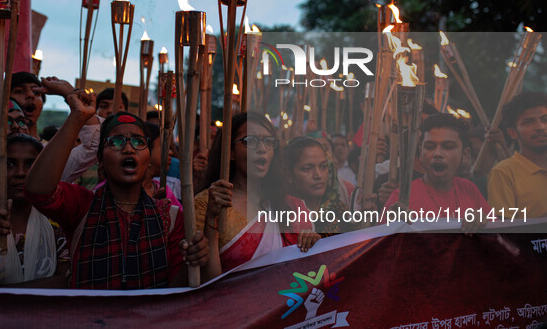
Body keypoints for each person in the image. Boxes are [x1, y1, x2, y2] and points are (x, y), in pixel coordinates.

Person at [24, 90, 211, 289]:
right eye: (116, 141)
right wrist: (77, 116)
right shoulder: (81, 206)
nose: (129, 149)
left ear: (148, 160)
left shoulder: (171, 218)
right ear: (100, 160)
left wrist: (193, 259)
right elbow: (37, 190)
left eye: (139, 142)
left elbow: (175, 290)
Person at [195, 112, 320, 275]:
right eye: (250, 141)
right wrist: (211, 220)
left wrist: (314, 247)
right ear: (230, 152)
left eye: (269, 141)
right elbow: (206, 283)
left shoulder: (294, 206)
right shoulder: (207, 202)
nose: (262, 149)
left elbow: (307, 275)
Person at [0, 134, 70, 287]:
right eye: (9, 164)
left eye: (31, 164)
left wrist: (1, 293)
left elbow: (64, 282)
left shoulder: (58, 224)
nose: (21, 173)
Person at [384, 114, 491, 230]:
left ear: (464, 154)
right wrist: (393, 228)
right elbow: (377, 244)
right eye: (430, 147)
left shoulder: (469, 190)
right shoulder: (401, 199)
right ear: (420, 153)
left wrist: (482, 221)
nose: (437, 154)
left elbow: (498, 236)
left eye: (448, 147)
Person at [285, 137, 367, 236]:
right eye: (307, 169)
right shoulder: (279, 217)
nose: (318, 175)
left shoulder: (340, 212)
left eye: (323, 167)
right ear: (289, 174)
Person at [487, 92, 547, 218]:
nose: (541, 127)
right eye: (529, 122)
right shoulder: (504, 172)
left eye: (544, 120)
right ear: (513, 133)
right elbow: (505, 229)